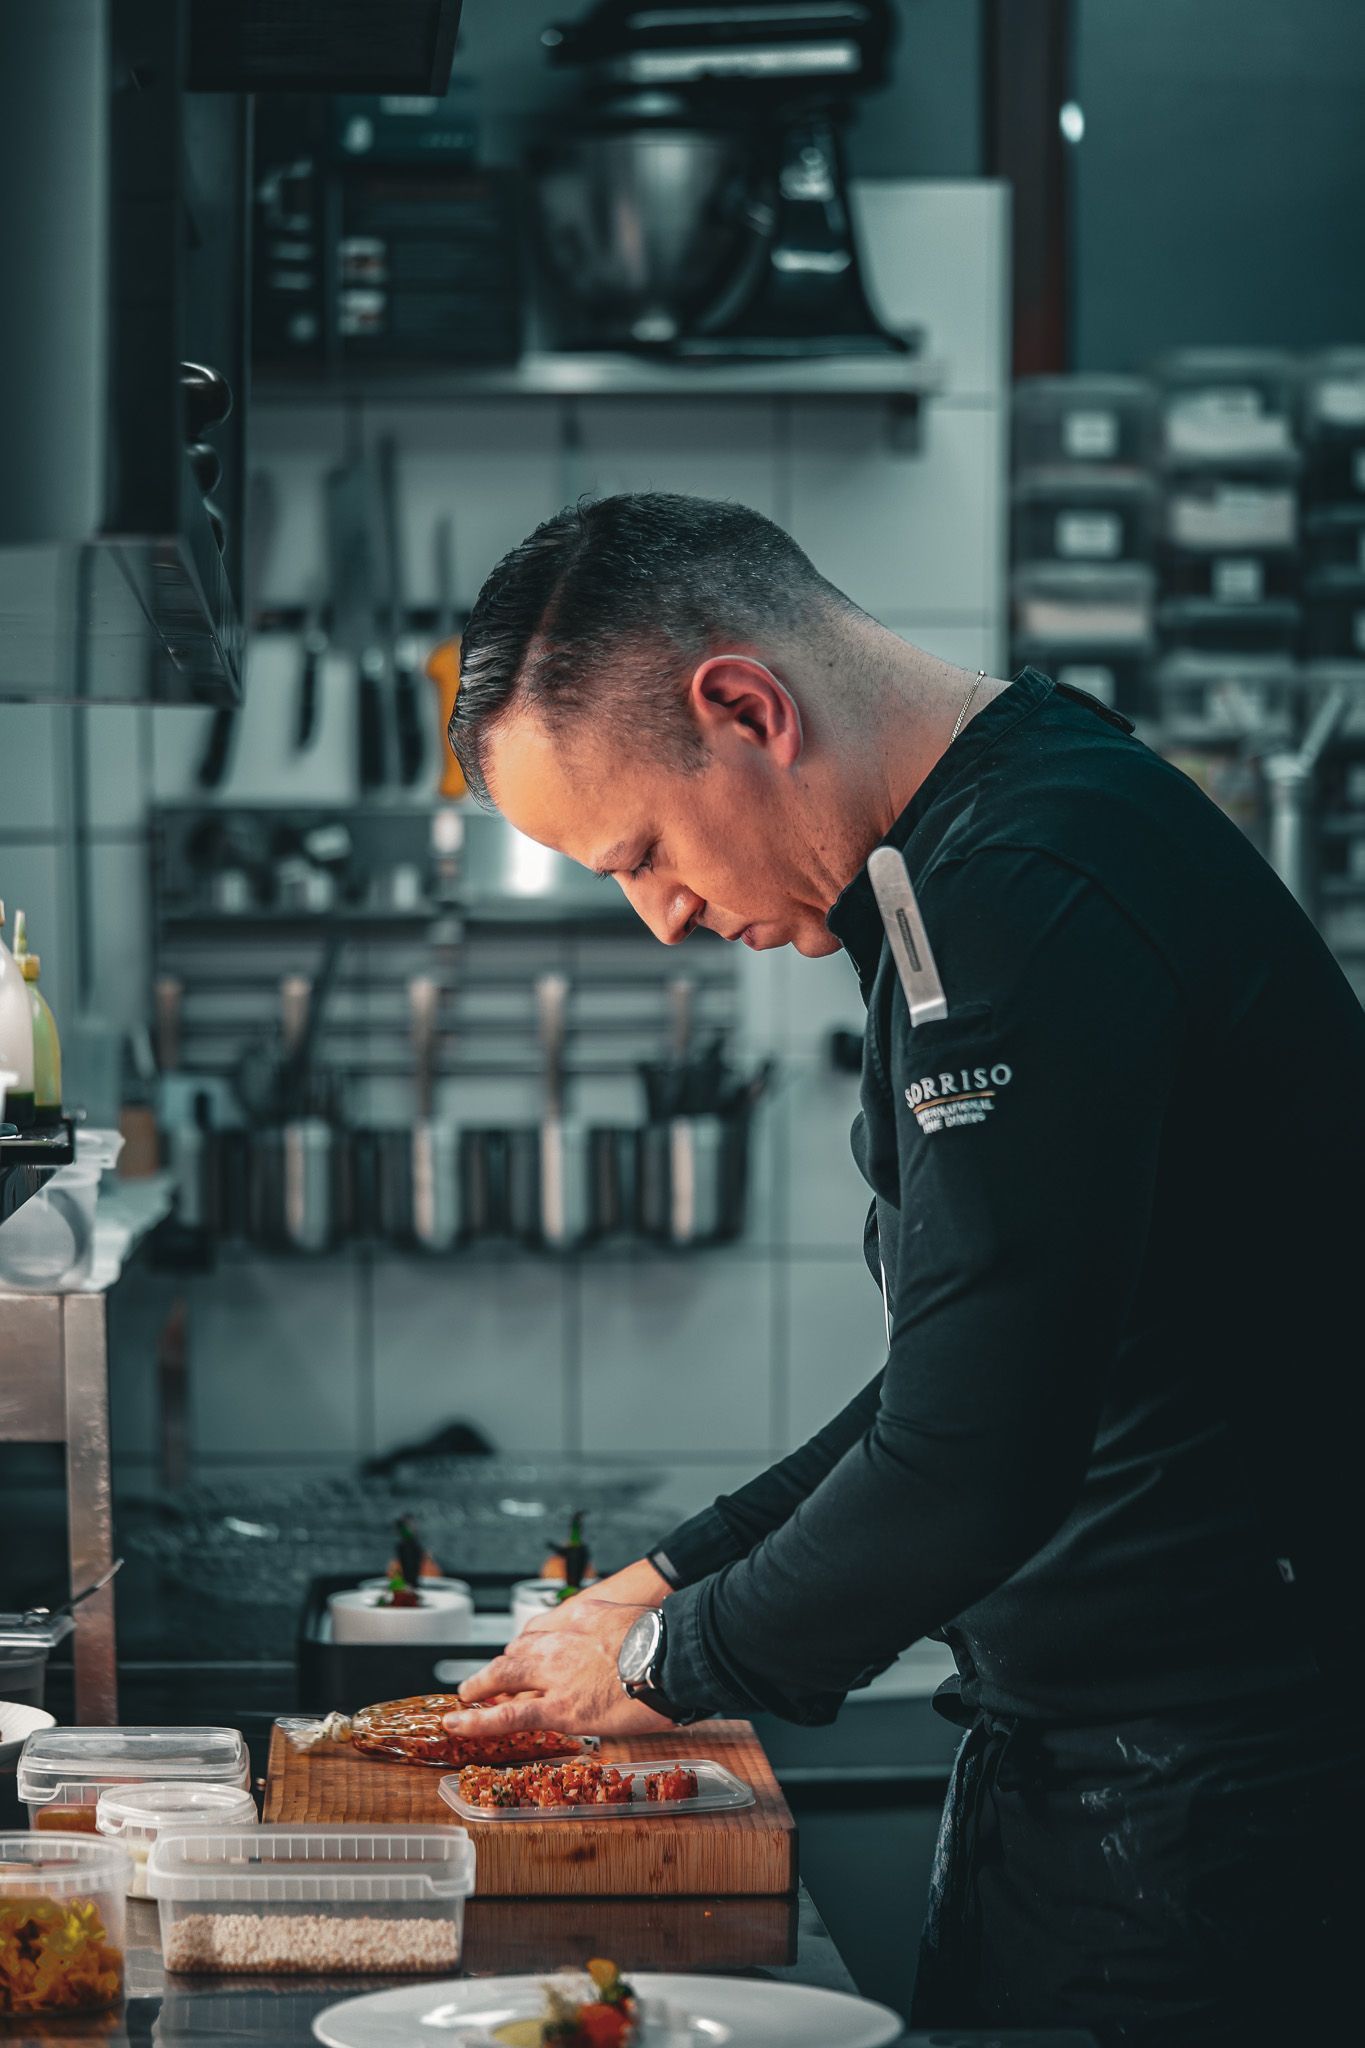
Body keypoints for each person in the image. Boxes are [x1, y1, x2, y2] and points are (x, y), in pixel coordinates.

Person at [440, 493, 1364, 2043]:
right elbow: (981, 1364)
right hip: (1111, 1769)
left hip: (1216, 1804)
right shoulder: (986, 841)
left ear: (744, 705)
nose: (658, 918)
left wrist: (666, 1663)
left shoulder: (1019, 889)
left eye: (644, 850)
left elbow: (969, 1465)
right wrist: (670, 1573)